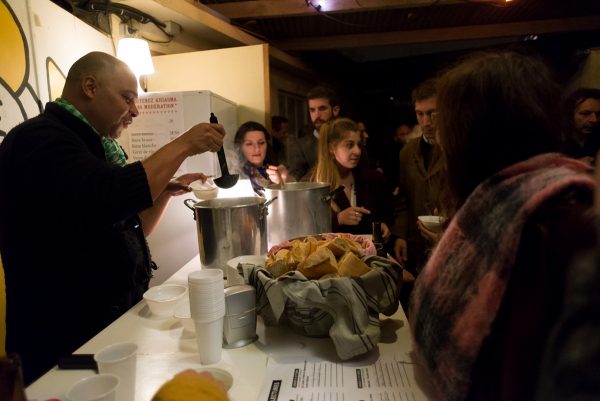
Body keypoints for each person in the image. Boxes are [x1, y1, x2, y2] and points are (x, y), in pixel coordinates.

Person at [0, 51, 225, 384]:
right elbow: (109, 197)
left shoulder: (92, 147)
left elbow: (125, 223)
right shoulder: (41, 139)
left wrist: (162, 193)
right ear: (90, 87)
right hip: (62, 343)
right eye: (127, 98)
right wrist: (186, 142)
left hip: (103, 332)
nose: (135, 110)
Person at [409, 50, 596, 401]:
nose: (442, 144)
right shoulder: (499, 205)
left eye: (446, 126)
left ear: (474, 138)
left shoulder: (554, 229)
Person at [391, 80, 445, 276]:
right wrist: (400, 235)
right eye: (420, 114)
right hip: (416, 245)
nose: (425, 122)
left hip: (448, 240)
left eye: (432, 113)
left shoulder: (457, 148)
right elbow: (404, 197)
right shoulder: (408, 151)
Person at [310, 118, 393, 238]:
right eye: (350, 145)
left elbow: (386, 213)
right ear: (331, 148)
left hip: (368, 252)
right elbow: (309, 230)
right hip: (334, 254)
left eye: (359, 145)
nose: (358, 151)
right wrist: (337, 219)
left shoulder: (373, 178)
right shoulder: (314, 184)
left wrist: (384, 226)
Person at [287, 86, 340, 180]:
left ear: (335, 110)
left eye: (322, 109)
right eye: (312, 110)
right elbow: (295, 179)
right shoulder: (301, 146)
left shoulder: (350, 140)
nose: (317, 115)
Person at [234, 121, 291, 194]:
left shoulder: (276, 168)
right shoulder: (236, 175)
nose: (257, 148)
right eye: (249, 144)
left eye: (261, 143)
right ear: (240, 147)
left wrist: (285, 181)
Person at [561, 87, 600, 164]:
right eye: (585, 113)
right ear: (570, 115)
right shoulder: (557, 144)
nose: (594, 120)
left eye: (598, 114)